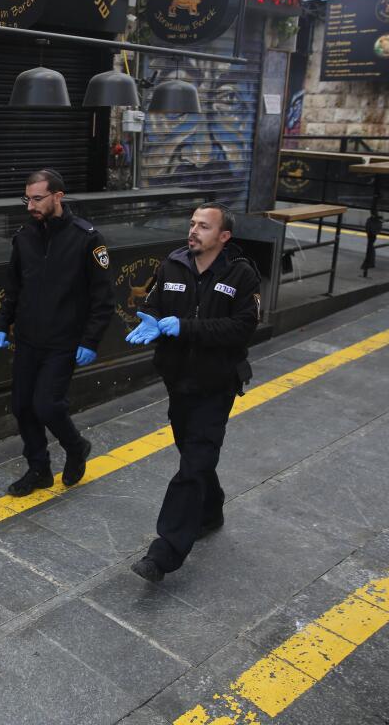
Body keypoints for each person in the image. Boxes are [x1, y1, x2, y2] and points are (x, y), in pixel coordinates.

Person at [125, 202, 260, 582]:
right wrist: (150, 319)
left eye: (204, 226)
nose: (194, 230)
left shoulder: (241, 274)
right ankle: (212, 509)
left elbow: (242, 329)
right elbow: (152, 305)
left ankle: (164, 553)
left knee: (192, 465)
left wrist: (186, 327)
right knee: (194, 455)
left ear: (224, 236)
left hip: (217, 385)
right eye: (192, 224)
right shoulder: (172, 265)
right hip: (178, 381)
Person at [0, 169, 116, 496]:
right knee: (21, 406)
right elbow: (13, 286)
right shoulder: (24, 237)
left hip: (64, 341)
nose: (30, 205)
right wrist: (3, 324)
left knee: (47, 405)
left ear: (58, 197)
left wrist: (91, 340)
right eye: (27, 198)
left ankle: (76, 447)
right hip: (29, 340)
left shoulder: (87, 238)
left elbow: (103, 298)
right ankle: (39, 469)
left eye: (37, 198)